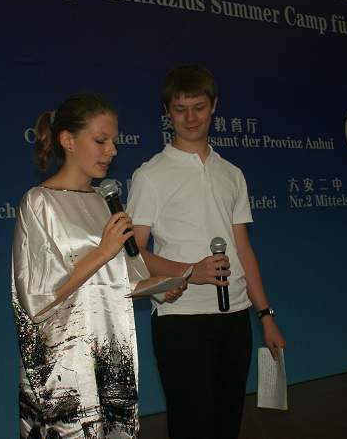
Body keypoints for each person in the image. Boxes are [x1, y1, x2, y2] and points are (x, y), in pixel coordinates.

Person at [126, 65, 286, 439]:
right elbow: (133, 252)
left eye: (198, 107)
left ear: (214, 106)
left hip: (235, 316)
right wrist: (188, 272)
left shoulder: (232, 173)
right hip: (180, 318)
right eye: (180, 109)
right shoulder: (150, 174)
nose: (190, 117)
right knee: (191, 424)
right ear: (167, 112)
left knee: (228, 420)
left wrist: (266, 316)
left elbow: (243, 248)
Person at [11, 93, 153, 438]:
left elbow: (124, 281)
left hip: (111, 358)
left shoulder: (104, 202)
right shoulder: (39, 202)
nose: (112, 151)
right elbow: (37, 299)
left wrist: (165, 285)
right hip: (63, 369)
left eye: (114, 142)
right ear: (68, 140)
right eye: (101, 141)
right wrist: (102, 252)